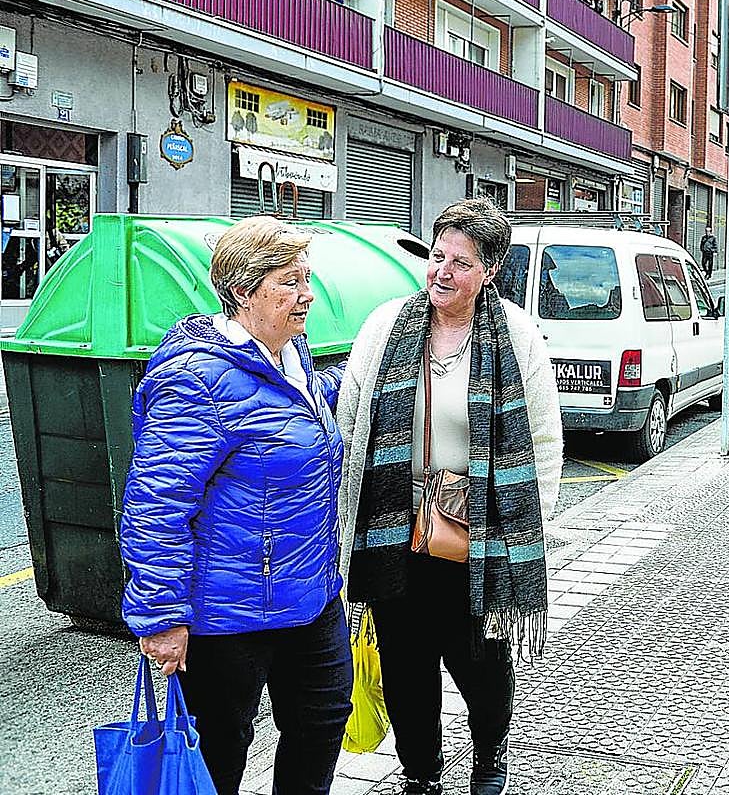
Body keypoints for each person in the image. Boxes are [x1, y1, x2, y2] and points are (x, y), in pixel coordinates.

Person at [337, 197, 563, 795]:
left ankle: (490, 761)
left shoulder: (515, 334)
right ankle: (420, 774)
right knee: (406, 666)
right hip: (396, 527)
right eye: (437, 256)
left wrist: (529, 523)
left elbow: (541, 433)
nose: (442, 271)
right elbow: (353, 412)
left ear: (489, 269)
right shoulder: (388, 324)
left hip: (481, 535)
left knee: (482, 664)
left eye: (461, 262)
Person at [120, 217, 352, 795]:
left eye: (308, 279)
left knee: (322, 722)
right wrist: (160, 618)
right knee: (219, 753)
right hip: (228, 615)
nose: (307, 296)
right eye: (290, 283)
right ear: (244, 293)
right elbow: (156, 504)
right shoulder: (195, 379)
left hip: (311, 597)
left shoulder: (293, 356)